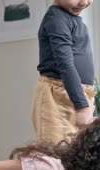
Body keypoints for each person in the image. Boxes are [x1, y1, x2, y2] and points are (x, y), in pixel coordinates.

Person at [32, 0, 96, 143]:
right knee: (56, 152)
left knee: (78, 155)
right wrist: (82, 107)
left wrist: (90, 107)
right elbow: (65, 65)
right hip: (57, 96)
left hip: (78, 93)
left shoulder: (76, 21)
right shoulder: (56, 19)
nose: (84, 2)